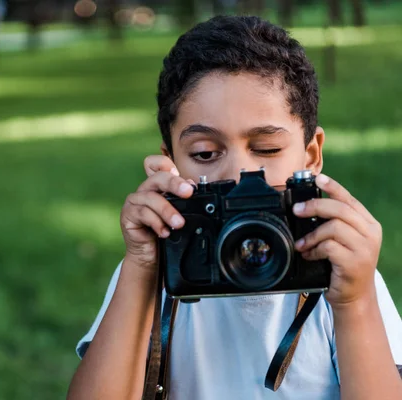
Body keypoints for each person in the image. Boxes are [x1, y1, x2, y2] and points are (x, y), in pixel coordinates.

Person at [67, 15, 402, 399]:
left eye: (267, 149)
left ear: (311, 157)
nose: (242, 173)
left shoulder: (340, 273)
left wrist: (355, 302)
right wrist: (141, 267)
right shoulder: (157, 268)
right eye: (205, 153)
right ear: (170, 164)